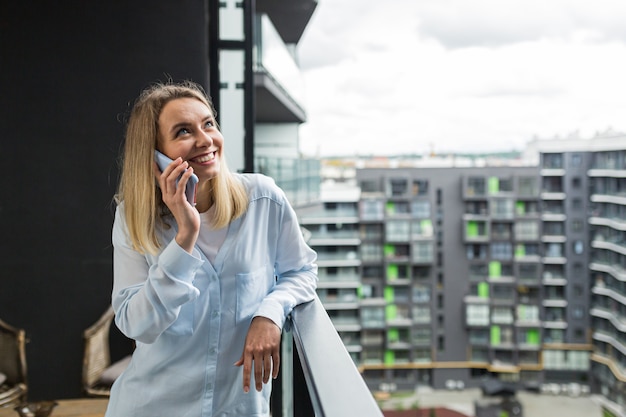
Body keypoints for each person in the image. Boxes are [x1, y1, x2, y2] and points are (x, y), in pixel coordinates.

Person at [106, 80, 318, 417]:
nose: (205, 140)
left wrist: (271, 312)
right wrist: (185, 236)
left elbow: (302, 271)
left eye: (208, 124)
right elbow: (137, 325)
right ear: (156, 156)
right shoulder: (133, 217)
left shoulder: (263, 200)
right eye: (183, 131)